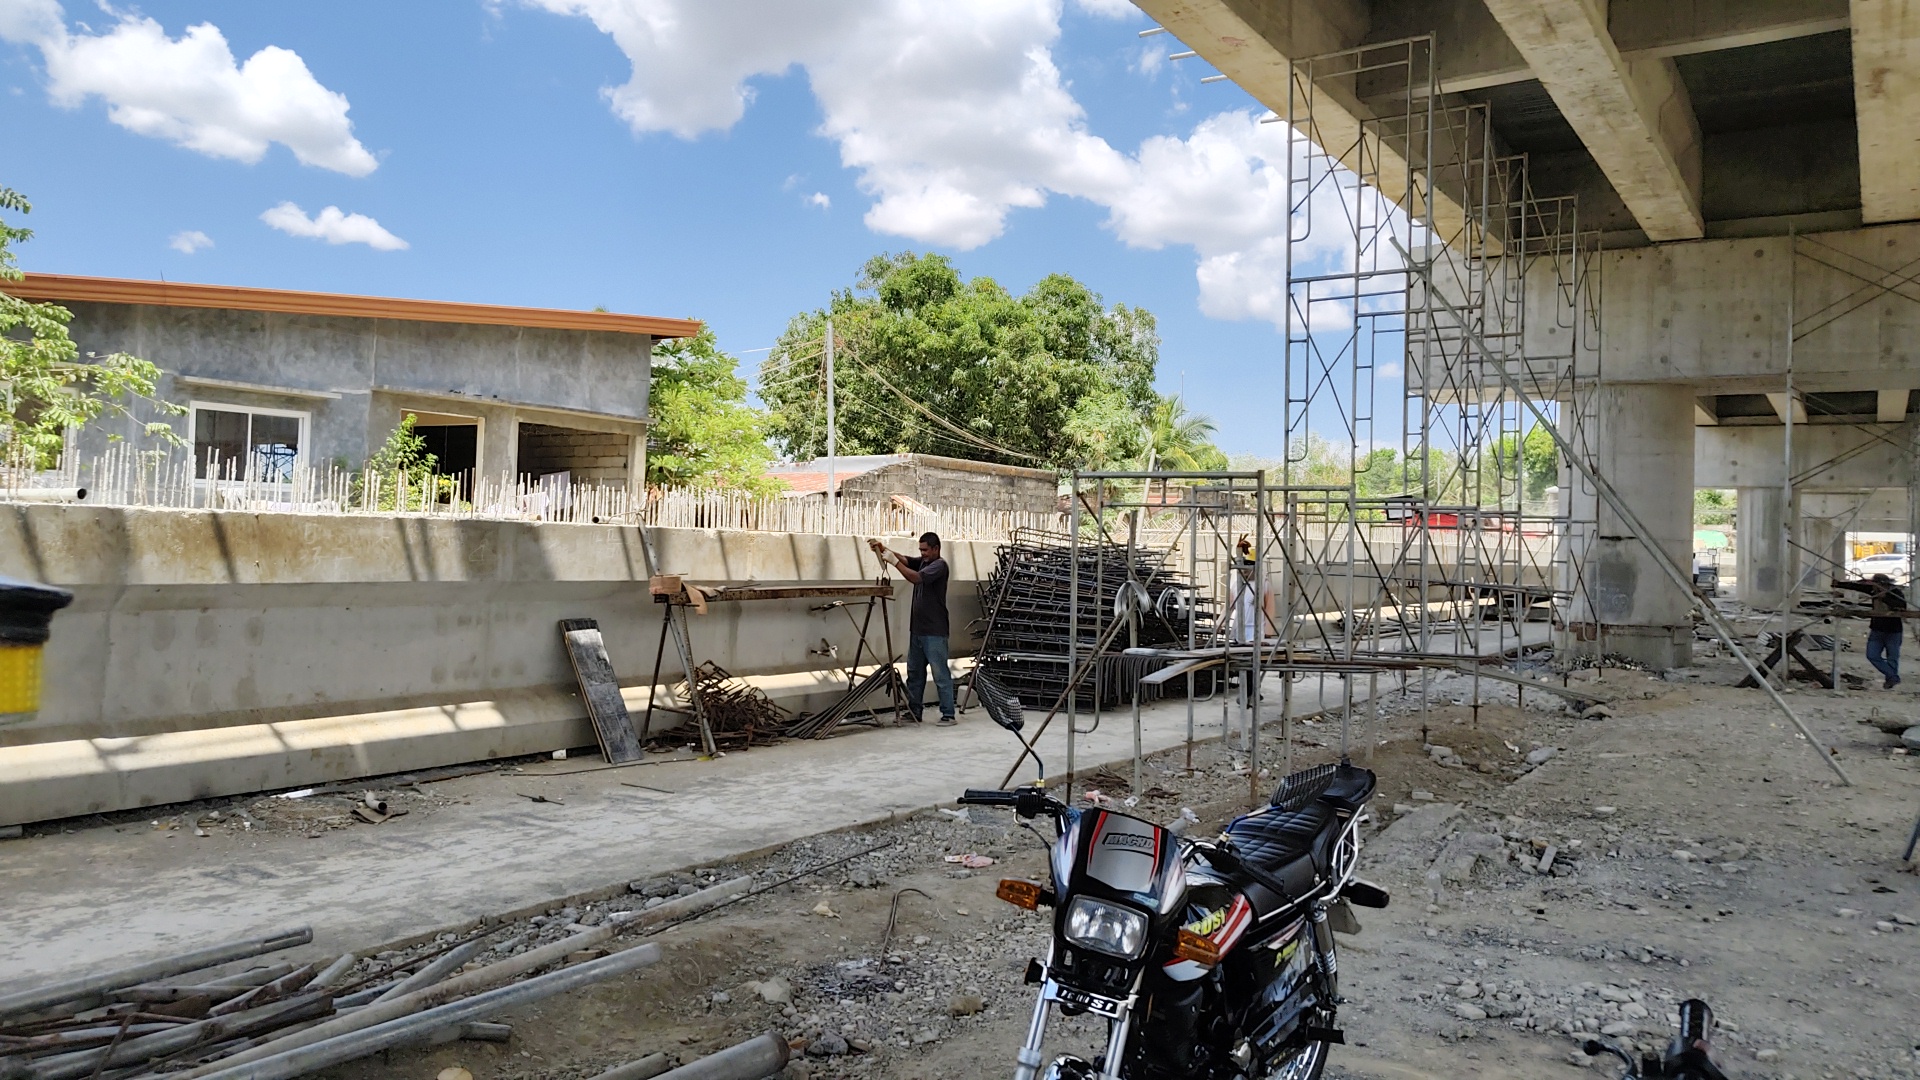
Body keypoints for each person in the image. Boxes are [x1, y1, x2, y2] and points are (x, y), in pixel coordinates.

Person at [869, 532, 955, 725]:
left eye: (925, 550)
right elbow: (907, 560)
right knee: (915, 673)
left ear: (936, 549)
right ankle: (914, 711)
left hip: (934, 631)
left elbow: (915, 578)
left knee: (940, 673)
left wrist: (893, 562)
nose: (922, 553)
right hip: (918, 630)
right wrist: (886, 551)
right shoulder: (925, 562)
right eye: (921, 550)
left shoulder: (939, 566)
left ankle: (948, 714)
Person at [1834, 572, 1906, 688]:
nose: (1874, 587)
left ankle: (1890, 679)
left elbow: (1901, 605)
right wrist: (1839, 584)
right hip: (1877, 629)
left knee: (1892, 657)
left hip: (1893, 631)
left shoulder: (1895, 592)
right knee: (1872, 655)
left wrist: (1885, 598)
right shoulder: (1873, 591)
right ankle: (1893, 676)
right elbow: (1857, 586)